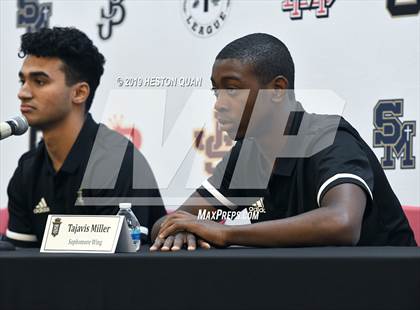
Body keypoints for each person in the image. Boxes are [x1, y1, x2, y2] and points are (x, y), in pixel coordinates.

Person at [151, 33, 417, 250]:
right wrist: (178, 232)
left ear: (277, 90)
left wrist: (226, 234)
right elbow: (171, 221)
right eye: (216, 91)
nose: (219, 104)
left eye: (232, 89)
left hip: (387, 288)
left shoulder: (328, 137)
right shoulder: (246, 154)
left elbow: (342, 222)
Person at [5, 27, 166, 247]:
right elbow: (18, 264)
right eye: (22, 81)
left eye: (39, 81)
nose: (23, 92)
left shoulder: (115, 162)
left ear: (79, 93)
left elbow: (125, 269)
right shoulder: (28, 169)